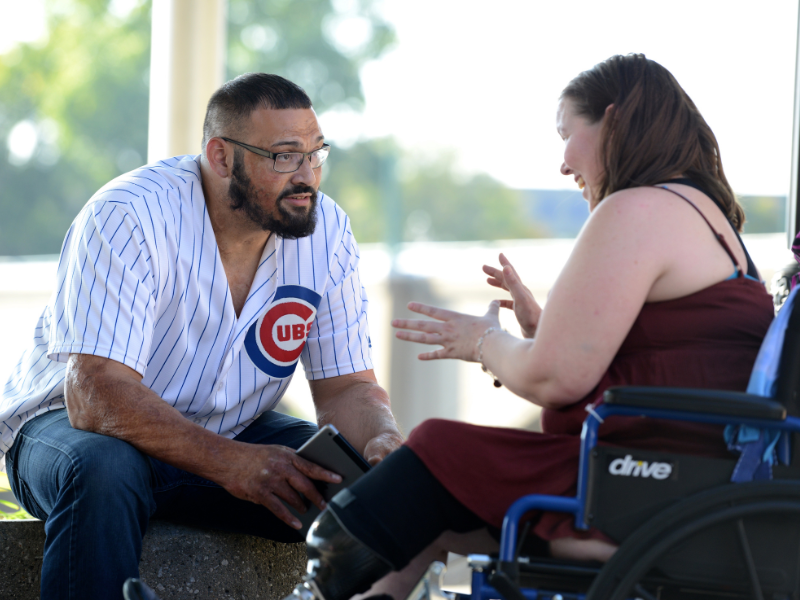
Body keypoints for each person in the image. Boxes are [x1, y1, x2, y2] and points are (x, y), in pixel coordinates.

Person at [278, 53, 775, 600]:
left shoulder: (639, 208)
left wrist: (482, 342)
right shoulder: (705, 216)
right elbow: (663, 357)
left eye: (566, 133)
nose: (563, 164)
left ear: (612, 120)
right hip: (680, 478)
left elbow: (554, 380)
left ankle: (319, 576)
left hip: (640, 487)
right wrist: (544, 333)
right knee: (435, 511)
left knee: (437, 451)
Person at [0, 72, 403, 600]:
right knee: (103, 469)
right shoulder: (129, 214)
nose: (307, 176)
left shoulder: (327, 230)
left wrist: (382, 440)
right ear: (220, 157)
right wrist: (231, 463)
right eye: (284, 156)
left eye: (315, 153)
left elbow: (349, 388)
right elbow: (95, 395)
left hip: (227, 434)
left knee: (360, 488)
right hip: (70, 430)